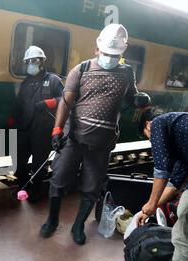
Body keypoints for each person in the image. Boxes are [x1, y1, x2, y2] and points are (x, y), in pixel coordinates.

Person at [40, 24, 150, 244]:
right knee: (58, 181)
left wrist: (140, 101)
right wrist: (57, 129)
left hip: (102, 144)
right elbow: (66, 102)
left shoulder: (127, 73)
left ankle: (78, 226)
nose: (110, 57)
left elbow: (131, 98)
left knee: (92, 188)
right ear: (97, 48)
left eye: (115, 54)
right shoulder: (82, 70)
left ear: (122, 53)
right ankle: (52, 221)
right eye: (107, 53)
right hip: (74, 139)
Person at [133, 111, 188, 261]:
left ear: (147, 125)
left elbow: (161, 169)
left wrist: (149, 205)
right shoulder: (182, 142)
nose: (151, 142)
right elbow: (173, 186)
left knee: (183, 233)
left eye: (147, 137)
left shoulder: (157, 124)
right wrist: (150, 208)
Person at [12, 45, 64, 202]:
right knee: (19, 161)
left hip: (42, 130)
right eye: (27, 62)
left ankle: (35, 192)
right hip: (24, 128)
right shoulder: (26, 83)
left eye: (33, 61)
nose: (30, 65)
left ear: (41, 62)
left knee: (38, 164)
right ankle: (22, 186)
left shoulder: (53, 80)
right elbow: (19, 104)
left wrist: (48, 103)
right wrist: (11, 120)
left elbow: (64, 100)